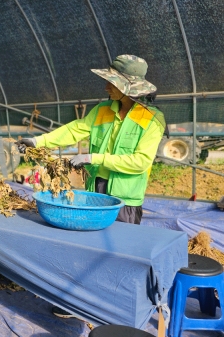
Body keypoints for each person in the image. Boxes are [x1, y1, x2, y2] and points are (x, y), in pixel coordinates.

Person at [16, 54, 166, 319]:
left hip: (124, 199)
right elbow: (74, 130)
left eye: (112, 83)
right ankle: (82, 304)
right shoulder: (102, 110)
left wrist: (93, 157)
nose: (106, 87)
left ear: (128, 87)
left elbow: (141, 162)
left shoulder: (151, 119)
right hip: (96, 191)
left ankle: (118, 307)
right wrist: (38, 142)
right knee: (91, 247)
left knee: (120, 253)